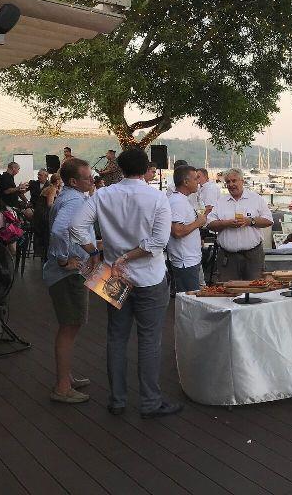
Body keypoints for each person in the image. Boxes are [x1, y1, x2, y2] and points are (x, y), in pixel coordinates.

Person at [70, 147, 182, 419]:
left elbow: (75, 226)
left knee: (116, 338)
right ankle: (150, 402)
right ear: (146, 169)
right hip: (150, 278)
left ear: (119, 168)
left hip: (112, 276)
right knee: (149, 340)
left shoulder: (103, 195)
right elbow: (157, 243)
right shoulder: (157, 197)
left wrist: (96, 253)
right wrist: (129, 256)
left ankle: (117, 399)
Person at [43, 158, 94, 404]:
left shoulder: (69, 196)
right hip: (68, 275)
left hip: (67, 272)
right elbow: (59, 231)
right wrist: (64, 260)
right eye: (87, 177)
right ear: (74, 181)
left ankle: (66, 376)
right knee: (69, 327)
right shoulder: (74, 200)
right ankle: (62, 386)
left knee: (70, 326)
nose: (92, 180)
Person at [207, 169, 274, 281]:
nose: (231, 185)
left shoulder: (256, 199)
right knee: (229, 293)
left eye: (234, 181)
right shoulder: (221, 202)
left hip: (253, 257)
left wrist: (250, 221)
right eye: (228, 182)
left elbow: (269, 220)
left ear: (242, 181)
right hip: (228, 259)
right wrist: (226, 223)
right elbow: (209, 224)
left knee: (255, 291)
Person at [167, 165, 207, 293]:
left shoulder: (182, 199)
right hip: (185, 261)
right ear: (185, 182)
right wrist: (198, 223)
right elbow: (177, 231)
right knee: (190, 301)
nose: (198, 182)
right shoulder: (178, 202)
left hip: (190, 259)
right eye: (195, 179)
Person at [32, 173, 62, 257]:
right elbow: (49, 204)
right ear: (57, 181)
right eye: (61, 180)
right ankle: (51, 251)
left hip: (39, 213)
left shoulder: (51, 188)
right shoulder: (52, 189)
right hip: (43, 214)